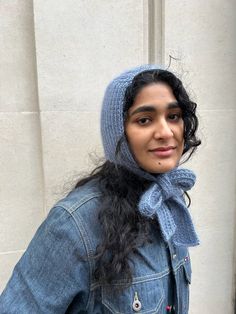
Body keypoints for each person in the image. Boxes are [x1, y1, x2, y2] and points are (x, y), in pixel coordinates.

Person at [0, 64, 201, 313]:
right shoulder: (75, 223)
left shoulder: (170, 204)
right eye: (144, 119)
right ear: (117, 130)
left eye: (173, 116)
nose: (165, 132)